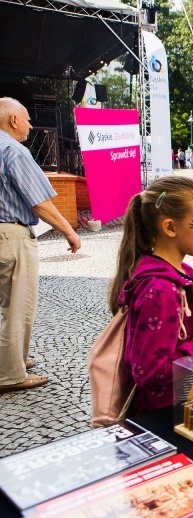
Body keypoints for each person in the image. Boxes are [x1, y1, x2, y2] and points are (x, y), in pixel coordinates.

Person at [108, 177, 193, 415]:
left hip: (185, 401)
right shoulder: (159, 290)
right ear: (169, 227)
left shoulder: (183, 273)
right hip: (163, 414)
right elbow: (150, 371)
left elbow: (174, 331)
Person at [0, 97, 82, 392]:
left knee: (8, 303)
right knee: (18, 304)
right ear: (12, 121)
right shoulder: (13, 150)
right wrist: (69, 231)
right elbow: (40, 202)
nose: (30, 125)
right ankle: (10, 373)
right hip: (10, 235)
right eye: (26, 119)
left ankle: (13, 360)